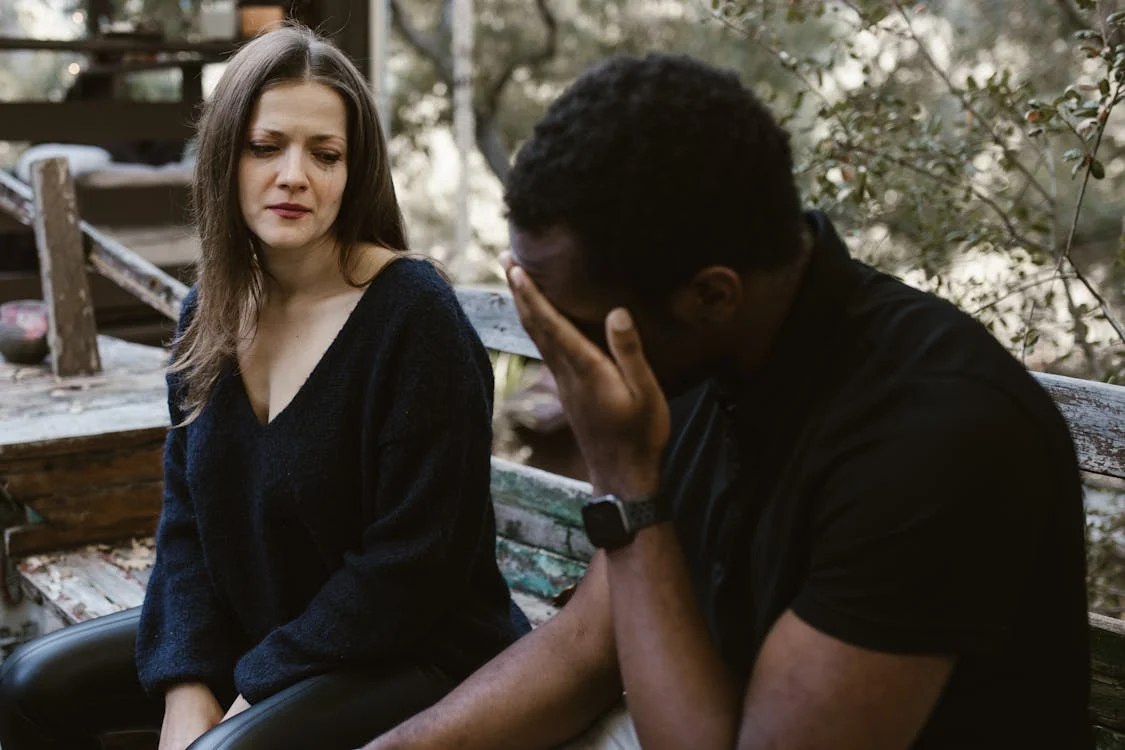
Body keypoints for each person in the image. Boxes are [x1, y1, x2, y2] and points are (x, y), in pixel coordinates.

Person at [364, 53, 1091, 750]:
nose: (556, 354)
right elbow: (589, 642)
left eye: (569, 325)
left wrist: (626, 480)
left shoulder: (935, 436)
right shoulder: (703, 352)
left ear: (712, 295)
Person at [0, 24, 528, 750]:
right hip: (267, 626)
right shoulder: (209, 312)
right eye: (265, 147)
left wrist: (250, 689)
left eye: (325, 154)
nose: (293, 176)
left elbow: (414, 566)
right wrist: (187, 683)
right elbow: (185, 528)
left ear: (354, 172)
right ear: (226, 157)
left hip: (417, 648)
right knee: (28, 683)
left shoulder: (412, 316)